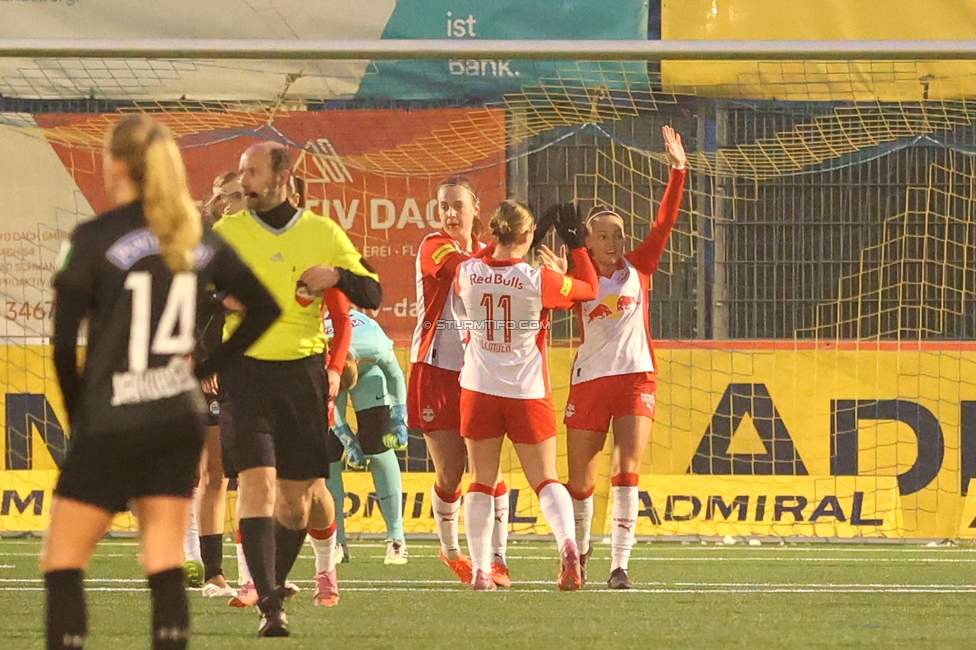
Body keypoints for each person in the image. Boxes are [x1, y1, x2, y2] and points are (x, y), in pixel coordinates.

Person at [42, 115, 280, 650]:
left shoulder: (93, 237)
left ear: (119, 165)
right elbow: (266, 307)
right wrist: (201, 369)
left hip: (112, 414)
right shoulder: (196, 236)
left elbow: (62, 345)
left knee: (63, 558)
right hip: (177, 417)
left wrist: (81, 417)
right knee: (164, 558)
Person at [214, 141, 381, 635]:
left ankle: (276, 584)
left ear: (283, 175)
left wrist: (338, 275)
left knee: (296, 501)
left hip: (301, 376)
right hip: (245, 374)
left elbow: (372, 291)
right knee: (256, 483)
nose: (243, 179)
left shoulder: (321, 232)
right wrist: (220, 299)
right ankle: (270, 606)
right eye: (241, 171)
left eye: (252, 170)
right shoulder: (228, 231)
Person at [556, 125, 687, 589]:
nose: (613, 241)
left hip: (635, 378)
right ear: (587, 242)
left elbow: (663, 224)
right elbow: (548, 298)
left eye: (618, 234)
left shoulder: (640, 266)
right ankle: (580, 553)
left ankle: (620, 567)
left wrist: (678, 171)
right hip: (590, 382)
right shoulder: (577, 276)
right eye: (603, 235)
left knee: (627, 470)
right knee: (580, 480)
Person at [454, 200, 599, 591]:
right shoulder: (539, 280)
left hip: (479, 387)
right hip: (526, 390)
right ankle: (568, 546)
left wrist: (501, 243)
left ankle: (483, 570)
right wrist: (576, 251)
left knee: (481, 480)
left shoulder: (467, 271)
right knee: (546, 480)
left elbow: (487, 258)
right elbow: (589, 290)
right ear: (526, 236)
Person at [407, 177, 512, 587]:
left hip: (479, 370)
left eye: (457, 206)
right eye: (444, 206)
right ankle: (451, 551)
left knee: (489, 466)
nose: (450, 213)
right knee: (450, 472)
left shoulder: (485, 253)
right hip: (435, 369)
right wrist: (509, 258)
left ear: (474, 209)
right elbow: (465, 271)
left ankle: (499, 558)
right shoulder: (435, 245)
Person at [182, 170, 250, 597]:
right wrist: (206, 364)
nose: (230, 202)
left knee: (255, 476)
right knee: (215, 473)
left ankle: (255, 575)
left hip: (259, 370)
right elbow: (192, 308)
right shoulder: (205, 249)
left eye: (238, 195)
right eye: (224, 196)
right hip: (213, 372)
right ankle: (211, 572)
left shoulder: (261, 245)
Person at [325, 308, 411, 565]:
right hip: (331, 374)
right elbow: (329, 409)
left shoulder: (374, 345)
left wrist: (400, 417)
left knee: (377, 446)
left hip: (368, 373)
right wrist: (348, 441)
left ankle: (397, 538)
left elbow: (395, 375)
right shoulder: (318, 354)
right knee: (327, 453)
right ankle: (336, 541)